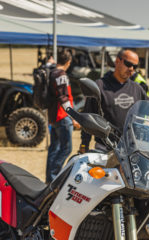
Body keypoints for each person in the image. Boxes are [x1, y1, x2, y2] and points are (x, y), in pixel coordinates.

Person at [78, 49, 149, 153]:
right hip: (105, 150)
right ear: (117, 61)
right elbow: (87, 118)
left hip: (132, 149)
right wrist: (84, 144)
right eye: (128, 64)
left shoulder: (136, 88)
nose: (131, 69)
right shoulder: (99, 86)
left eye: (135, 66)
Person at [46, 49, 80, 183]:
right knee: (67, 148)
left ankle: (49, 179)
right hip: (62, 116)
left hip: (53, 116)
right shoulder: (61, 75)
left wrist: (49, 63)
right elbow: (64, 98)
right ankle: (54, 177)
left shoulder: (51, 71)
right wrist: (73, 116)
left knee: (54, 148)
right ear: (68, 62)